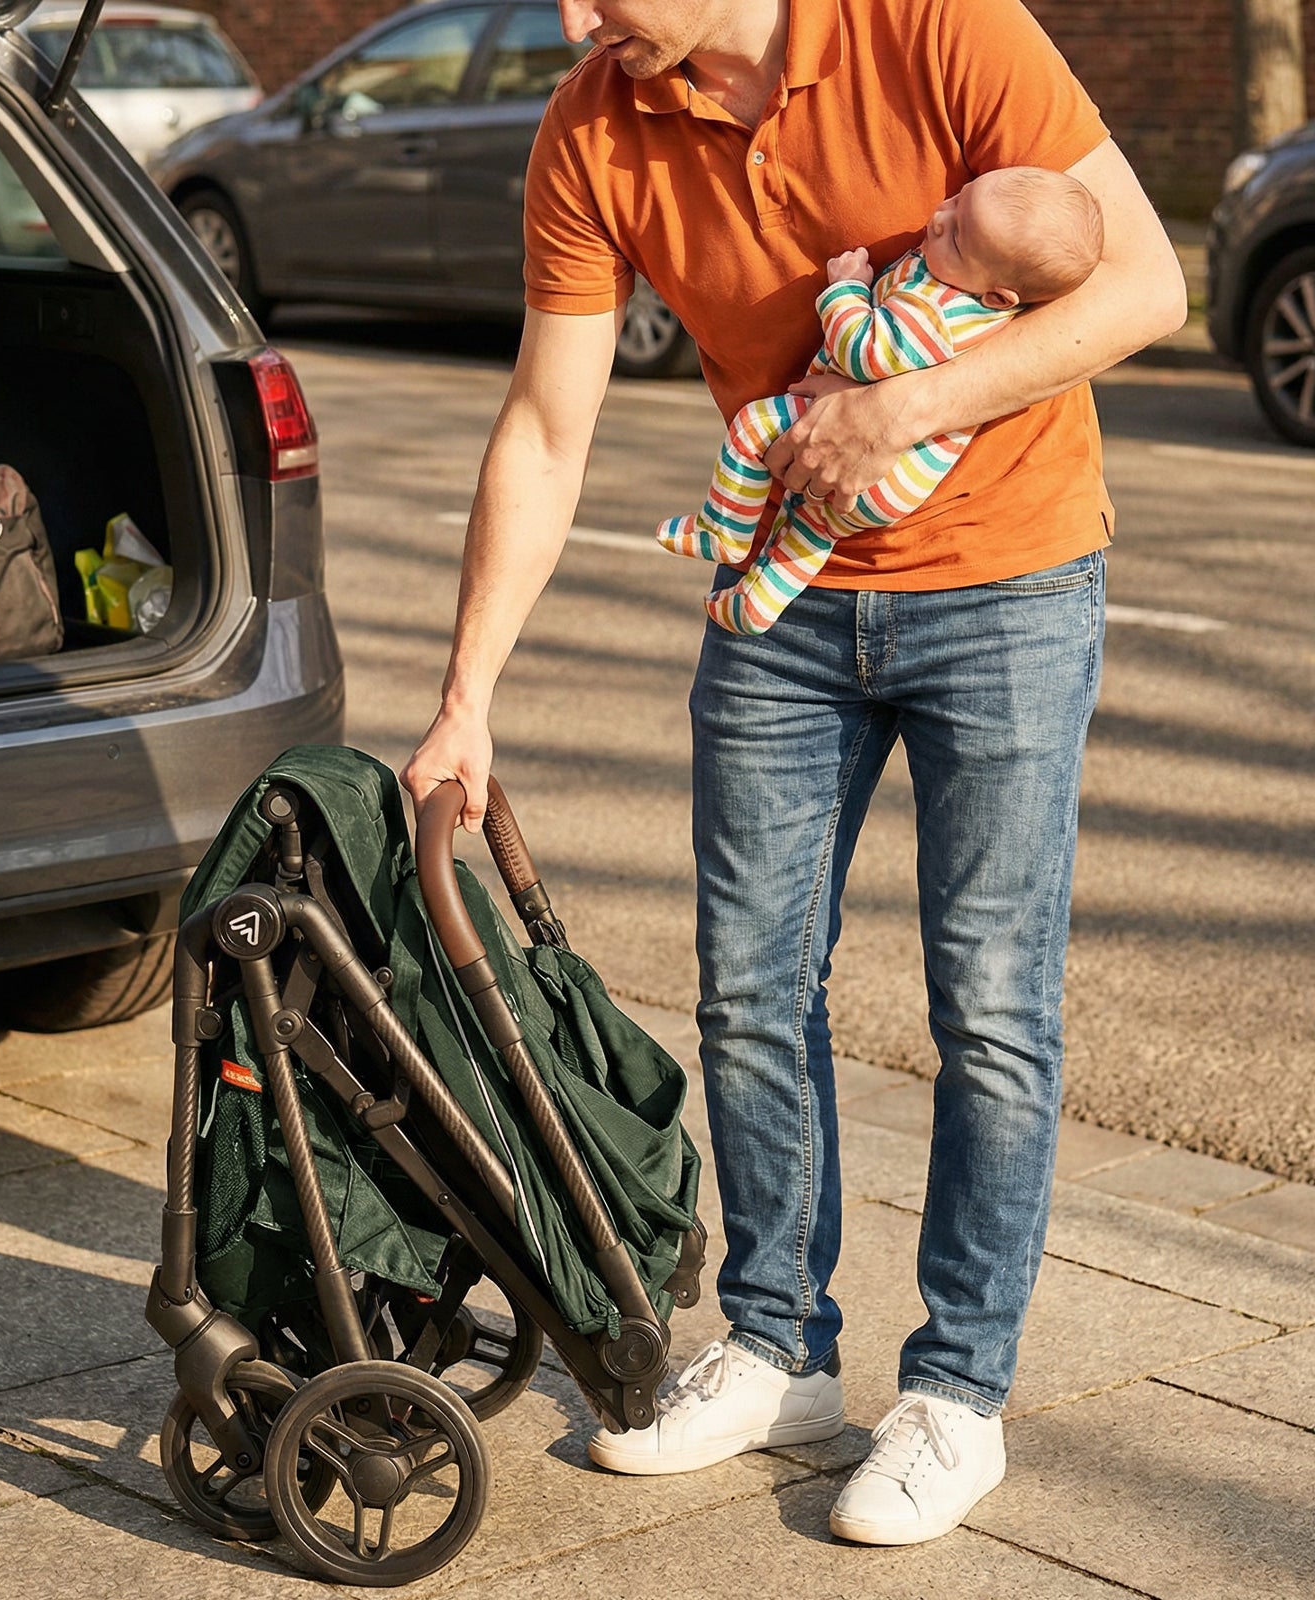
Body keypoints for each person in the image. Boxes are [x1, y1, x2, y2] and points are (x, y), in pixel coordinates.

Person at [402, 0, 1186, 1548]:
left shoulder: (940, 26)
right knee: (753, 988)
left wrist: (900, 405)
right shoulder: (595, 123)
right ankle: (777, 1349)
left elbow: (1147, 285)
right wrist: (465, 697)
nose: (572, 17)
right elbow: (549, 424)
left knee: (990, 1004)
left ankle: (958, 1393)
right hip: (781, 600)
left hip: (1011, 590)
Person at [659, 167, 1104, 634]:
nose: (939, 219)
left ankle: (724, 529)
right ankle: (755, 604)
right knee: (811, 528)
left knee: (752, 426)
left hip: (879, 464)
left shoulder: (936, 307)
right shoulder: (970, 286)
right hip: (900, 485)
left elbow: (866, 351)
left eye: (957, 237)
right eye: (958, 198)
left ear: (996, 295)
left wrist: (845, 289)